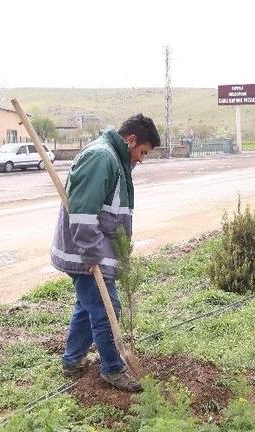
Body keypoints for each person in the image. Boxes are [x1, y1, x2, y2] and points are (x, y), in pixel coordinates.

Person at [52, 114, 160, 392]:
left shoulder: (114, 158)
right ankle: (113, 368)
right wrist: (91, 254)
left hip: (93, 252)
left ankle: (72, 360)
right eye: (142, 152)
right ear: (131, 140)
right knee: (106, 309)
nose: (141, 160)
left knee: (87, 305)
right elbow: (83, 212)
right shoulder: (102, 158)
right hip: (88, 254)